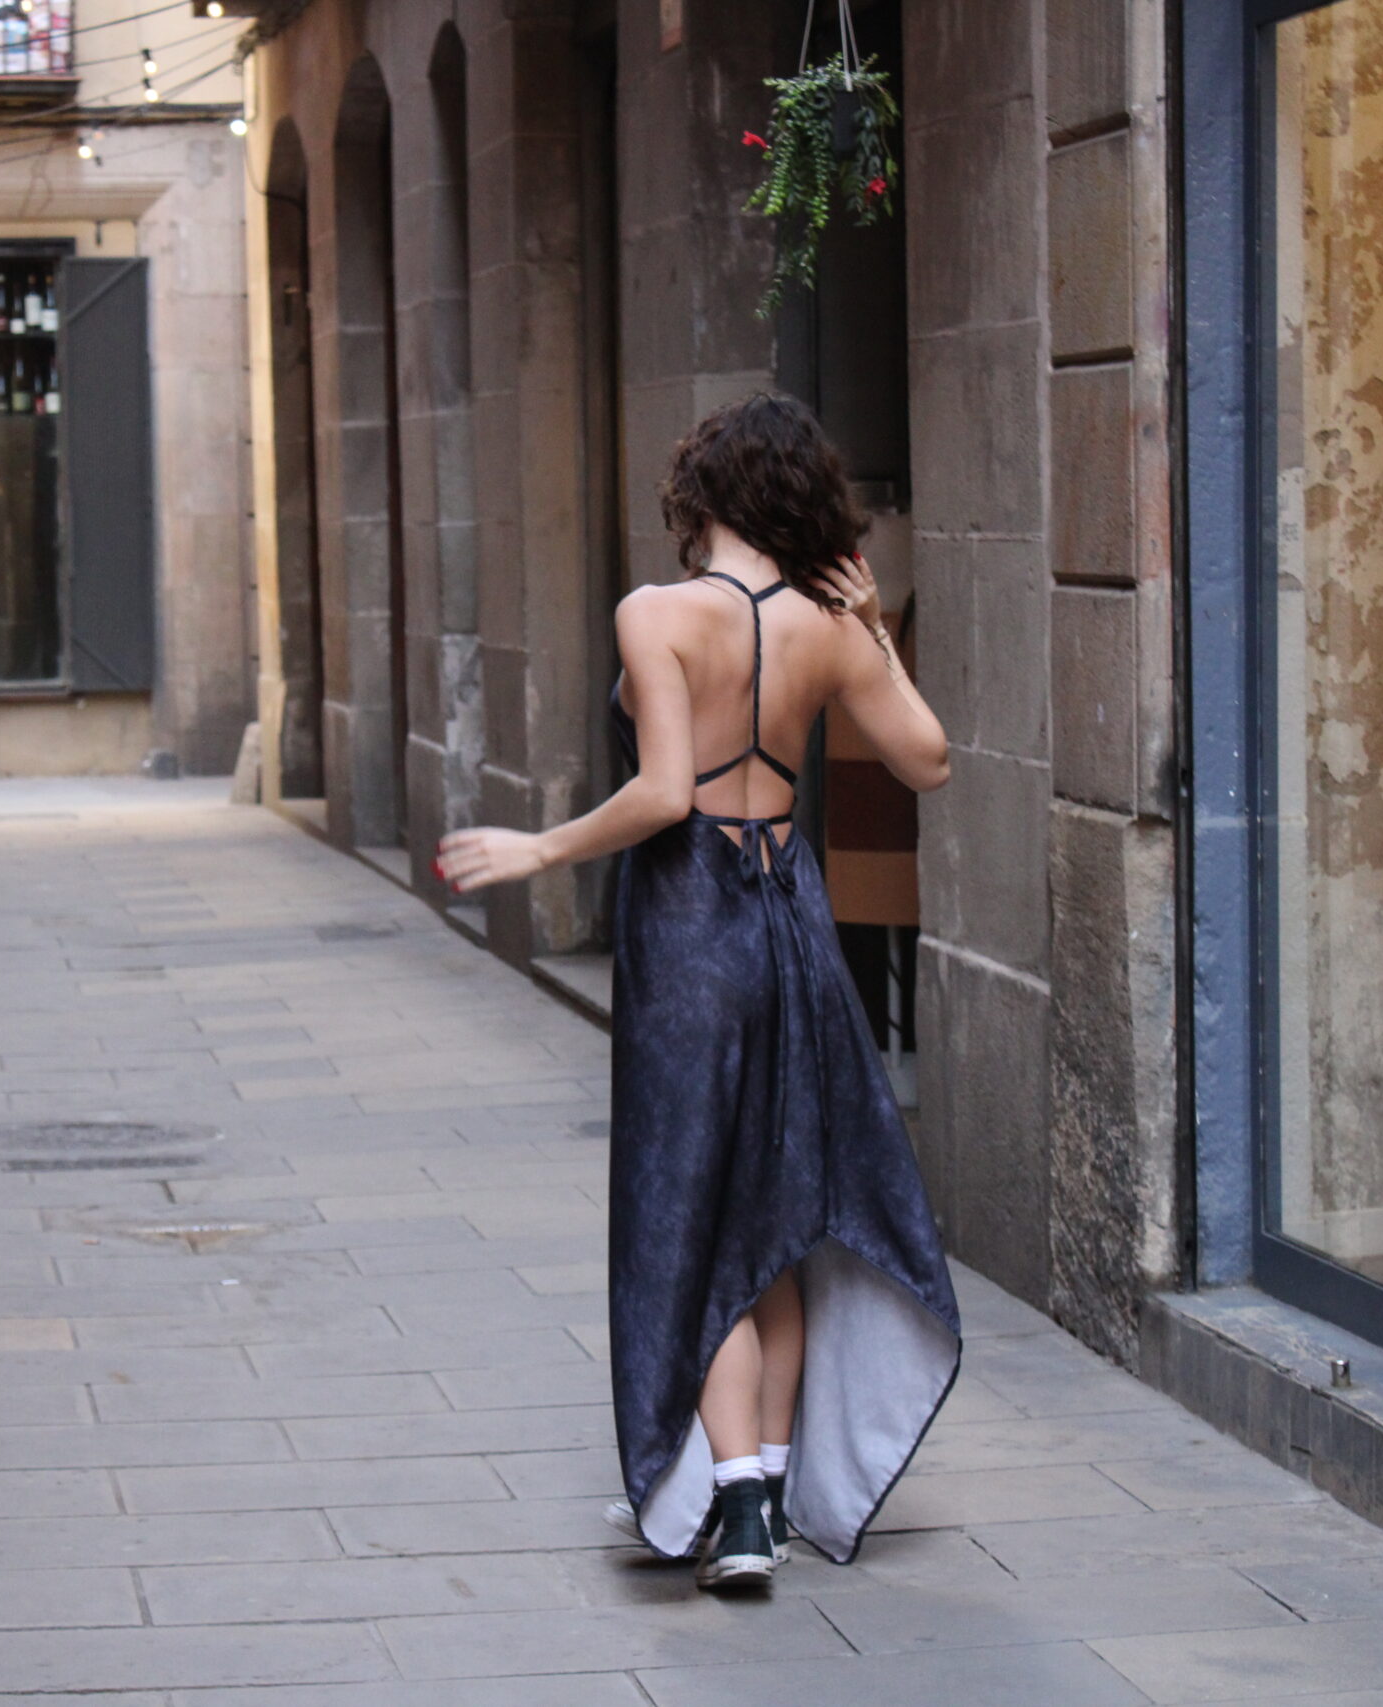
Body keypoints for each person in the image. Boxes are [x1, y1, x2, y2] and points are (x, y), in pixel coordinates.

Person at [437, 393, 962, 1593]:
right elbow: (928, 760)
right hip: (792, 923)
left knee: (694, 1210)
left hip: (689, 927)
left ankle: (737, 1506)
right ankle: (760, 1485)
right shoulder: (827, 627)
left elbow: (666, 793)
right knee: (777, 1212)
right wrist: (871, 627)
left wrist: (539, 847)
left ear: (700, 494)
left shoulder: (656, 613)